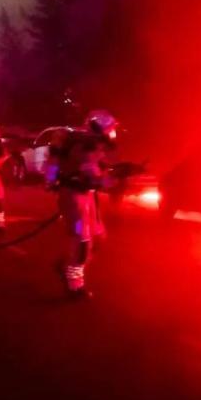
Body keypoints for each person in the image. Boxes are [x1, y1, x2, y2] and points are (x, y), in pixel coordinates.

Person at [54, 110, 117, 300]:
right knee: (83, 241)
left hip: (86, 197)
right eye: (110, 129)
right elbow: (93, 177)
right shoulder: (85, 147)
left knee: (98, 238)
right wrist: (112, 180)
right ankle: (74, 285)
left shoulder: (90, 145)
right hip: (75, 198)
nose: (112, 133)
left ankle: (67, 265)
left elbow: (98, 169)